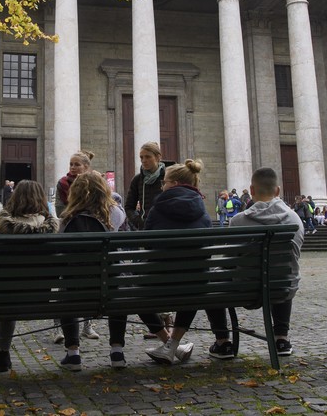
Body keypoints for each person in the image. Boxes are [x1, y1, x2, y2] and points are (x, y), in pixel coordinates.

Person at [213, 168, 305, 358]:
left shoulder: (238, 221)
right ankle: (281, 338)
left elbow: (231, 260)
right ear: (278, 191)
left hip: (245, 289)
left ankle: (223, 342)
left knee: (212, 281)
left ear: (251, 190)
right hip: (283, 287)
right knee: (279, 274)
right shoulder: (294, 219)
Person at [144, 159, 228, 364]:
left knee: (131, 287)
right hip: (194, 284)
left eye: (164, 182)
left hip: (157, 285)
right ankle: (173, 345)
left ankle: (168, 343)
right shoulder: (203, 211)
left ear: (173, 184)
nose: (162, 186)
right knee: (196, 280)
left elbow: (146, 245)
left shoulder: (157, 209)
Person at [57, 171, 129, 371]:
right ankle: (117, 352)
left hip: (76, 292)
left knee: (66, 292)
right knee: (117, 286)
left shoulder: (66, 218)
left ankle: (73, 354)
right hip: (110, 289)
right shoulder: (115, 214)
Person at [0, 180, 60, 372]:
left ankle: (3, 352)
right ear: (42, 200)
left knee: (8, 296)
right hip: (41, 296)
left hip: (6, 297)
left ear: (14, 198)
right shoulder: (51, 229)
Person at [53, 150, 99, 340]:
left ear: (86, 167)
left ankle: (87, 326)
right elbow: (59, 209)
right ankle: (58, 328)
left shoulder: (94, 183)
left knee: (88, 283)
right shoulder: (63, 183)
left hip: (88, 236)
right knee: (64, 283)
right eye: (71, 164)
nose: (72, 167)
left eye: (76, 164)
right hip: (71, 231)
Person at [124, 141, 165, 231]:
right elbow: (129, 207)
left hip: (165, 228)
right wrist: (139, 222)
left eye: (148, 157)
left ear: (158, 157)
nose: (143, 160)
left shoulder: (168, 177)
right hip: (146, 229)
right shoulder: (137, 179)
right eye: (141, 157)